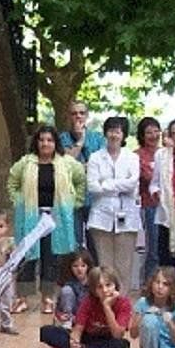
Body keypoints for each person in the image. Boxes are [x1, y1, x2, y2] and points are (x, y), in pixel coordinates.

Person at [7, 125, 86, 313]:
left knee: (50, 258)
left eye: (49, 140)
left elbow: (81, 179)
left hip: (55, 217)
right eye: (41, 139)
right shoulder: (26, 163)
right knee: (28, 256)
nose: (45, 143)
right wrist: (18, 200)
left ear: (55, 142)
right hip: (31, 216)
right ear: (36, 142)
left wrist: (74, 201)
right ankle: (22, 298)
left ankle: (47, 298)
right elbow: (12, 181)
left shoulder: (66, 163)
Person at [85, 116, 141, 294]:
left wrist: (107, 184)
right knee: (105, 264)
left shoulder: (132, 157)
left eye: (118, 131)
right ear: (105, 133)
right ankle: (105, 303)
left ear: (124, 134)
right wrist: (119, 185)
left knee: (124, 265)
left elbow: (132, 183)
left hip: (127, 216)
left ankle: (122, 303)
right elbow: (93, 186)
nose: (114, 135)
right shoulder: (95, 158)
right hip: (101, 217)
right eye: (111, 131)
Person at [40, 266, 131, 348]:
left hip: (107, 339)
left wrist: (107, 307)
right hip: (86, 337)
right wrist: (74, 343)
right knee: (45, 331)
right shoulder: (88, 301)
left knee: (122, 346)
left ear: (115, 285)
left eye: (108, 285)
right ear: (94, 290)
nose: (105, 290)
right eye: (99, 287)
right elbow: (78, 329)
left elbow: (117, 335)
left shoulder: (123, 303)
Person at [59, 100, 106, 246]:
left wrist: (80, 166)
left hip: (94, 198)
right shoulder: (63, 138)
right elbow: (66, 163)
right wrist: (80, 141)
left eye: (81, 113)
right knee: (74, 241)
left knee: (95, 242)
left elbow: (101, 166)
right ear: (69, 116)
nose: (78, 116)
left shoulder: (98, 138)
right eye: (74, 113)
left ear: (87, 115)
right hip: (72, 198)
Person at [149, 118, 175, 274]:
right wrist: (157, 192)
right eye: (173, 134)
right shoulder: (162, 155)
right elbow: (154, 183)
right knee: (167, 263)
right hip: (167, 216)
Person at [135, 116, 163, 280]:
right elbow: (148, 177)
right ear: (142, 135)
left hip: (170, 206)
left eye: (156, 131)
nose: (153, 135)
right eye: (148, 132)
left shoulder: (165, 153)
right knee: (153, 247)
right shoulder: (137, 155)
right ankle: (148, 282)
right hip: (150, 205)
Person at [53, 249, 93, 328]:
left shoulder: (93, 282)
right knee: (66, 290)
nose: (79, 269)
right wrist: (60, 315)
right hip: (73, 316)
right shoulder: (67, 284)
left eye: (83, 266)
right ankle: (68, 321)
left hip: (90, 316)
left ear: (88, 266)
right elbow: (58, 306)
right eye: (75, 266)